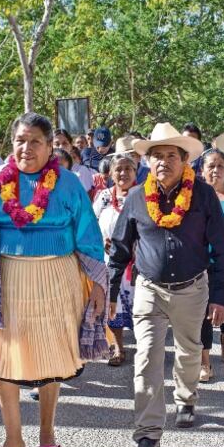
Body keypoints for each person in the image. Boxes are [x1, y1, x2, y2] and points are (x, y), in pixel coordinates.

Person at [0, 112, 107, 447]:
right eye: (20, 141)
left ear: (50, 146)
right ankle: (12, 441)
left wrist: (99, 283)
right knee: (2, 357)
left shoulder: (67, 183)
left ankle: (48, 437)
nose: (26, 148)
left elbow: (88, 233)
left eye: (35, 141)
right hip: (5, 277)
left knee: (52, 357)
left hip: (57, 276)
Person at [107, 123, 224, 447]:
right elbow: (120, 248)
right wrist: (111, 292)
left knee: (189, 351)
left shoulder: (203, 194)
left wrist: (220, 295)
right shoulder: (136, 197)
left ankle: (186, 397)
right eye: (156, 156)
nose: (163, 161)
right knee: (146, 359)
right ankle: (148, 434)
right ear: (148, 161)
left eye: (171, 155)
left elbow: (221, 248)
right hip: (149, 289)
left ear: (184, 160)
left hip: (192, 288)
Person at [94, 144, 138, 367]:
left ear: (136, 172)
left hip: (139, 263)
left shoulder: (144, 196)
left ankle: (148, 348)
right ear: (110, 173)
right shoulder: (103, 197)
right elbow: (91, 225)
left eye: (128, 168)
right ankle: (118, 347)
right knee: (114, 305)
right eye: (118, 169)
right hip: (109, 262)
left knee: (142, 307)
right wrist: (102, 241)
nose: (123, 173)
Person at [198, 148, 224, 382]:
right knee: (203, 312)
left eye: (220, 166)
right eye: (210, 166)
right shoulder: (196, 197)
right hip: (201, 262)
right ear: (202, 170)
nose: (215, 170)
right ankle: (205, 361)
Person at [53, 129, 95, 194]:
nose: (61, 147)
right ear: (50, 146)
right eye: (57, 144)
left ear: (71, 146)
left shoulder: (81, 171)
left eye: (65, 143)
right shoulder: (44, 170)